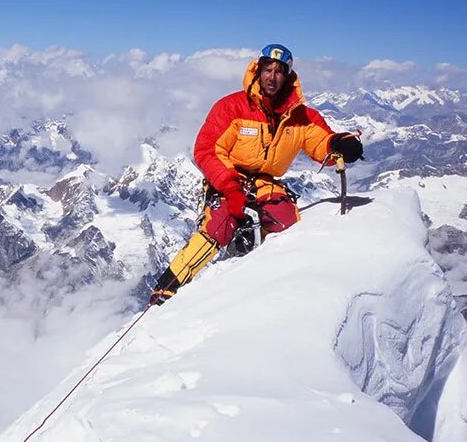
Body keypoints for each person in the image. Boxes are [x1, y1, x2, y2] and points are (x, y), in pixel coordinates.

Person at [149, 43, 363, 306]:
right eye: (267, 69)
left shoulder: (300, 117)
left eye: (279, 71)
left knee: (287, 225)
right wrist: (229, 186)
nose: (272, 77)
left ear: (288, 77)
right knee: (219, 224)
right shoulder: (232, 107)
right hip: (229, 178)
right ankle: (168, 287)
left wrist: (340, 145)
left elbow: (321, 142)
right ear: (258, 70)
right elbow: (207, 149)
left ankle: (267, 287)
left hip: (265, 183)